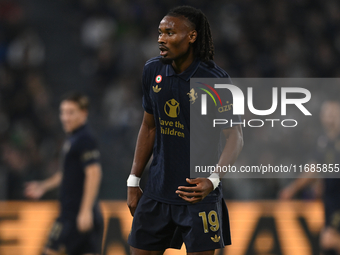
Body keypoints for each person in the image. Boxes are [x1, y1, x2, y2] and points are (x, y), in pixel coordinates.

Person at [127, 6, 243, 255]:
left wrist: (212, 181)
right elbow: (148, 127)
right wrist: (133, 180)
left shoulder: (215, 81)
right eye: (160, 32)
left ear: (191, 37)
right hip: (157, 192)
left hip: (197, 196)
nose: (161, 38)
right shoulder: (153, 70)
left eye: (170, 32)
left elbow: (235, 137)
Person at [25, 92, 103, 255]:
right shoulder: (73, 138)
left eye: (70, 112)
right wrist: (43, 186)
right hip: (80, 214)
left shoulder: (84, 139)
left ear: (84, 114)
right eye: (63, 112)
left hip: (74, 215)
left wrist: (85, 210)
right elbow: (66, 174)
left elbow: (94, 173)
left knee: (51, 250)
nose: (65, 117)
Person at [279, 101, 340, 255]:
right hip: (330, 201)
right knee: (327, 244)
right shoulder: (324, 142)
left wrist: (292, 189)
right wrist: (320, 185)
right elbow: (315, 168)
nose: (330, 118)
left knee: (328, 239)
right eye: (327, 114)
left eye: (334, 113)